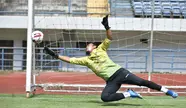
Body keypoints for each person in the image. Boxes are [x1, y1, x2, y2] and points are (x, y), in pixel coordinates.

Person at [44, 15, 178, 102]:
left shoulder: (101, 48)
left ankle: (167, 91)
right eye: (87, 45)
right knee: (105, 98)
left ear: (95, 47)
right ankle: (128, 94)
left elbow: (109, 37)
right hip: (111, 81)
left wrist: (107, 26)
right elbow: (69, 59)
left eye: (89, 44)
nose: (87, 46)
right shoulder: (86, 60)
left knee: (143, 82)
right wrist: (55, 55)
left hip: (121, 73)